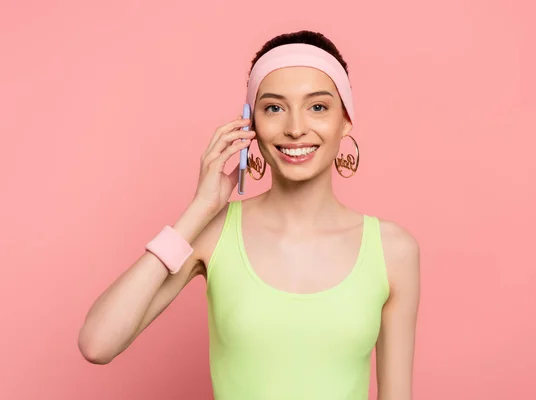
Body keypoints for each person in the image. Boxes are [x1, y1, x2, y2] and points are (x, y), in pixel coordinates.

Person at [78, 30, 420, 400]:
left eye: (317, 107)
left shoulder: (393, 249)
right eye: (274, 107)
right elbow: (98, 343)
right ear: (250, 124)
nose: (294, 128)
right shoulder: (213, 232)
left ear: (346, 120)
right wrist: (199, 210)